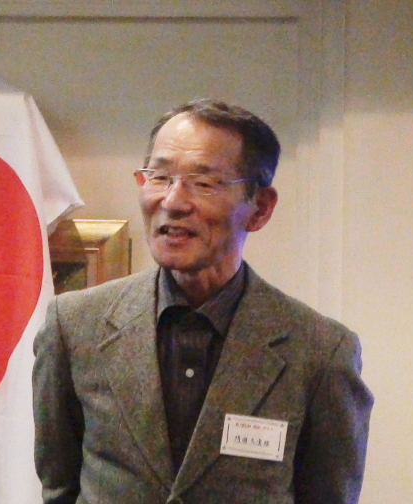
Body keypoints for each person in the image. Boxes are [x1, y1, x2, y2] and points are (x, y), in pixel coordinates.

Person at [33, 98, 374, 504]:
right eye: (159, 177)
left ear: (260, 208)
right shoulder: (75, 326)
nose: (173, 201)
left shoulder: (319, 351)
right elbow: (59, 488)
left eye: (204, 182)